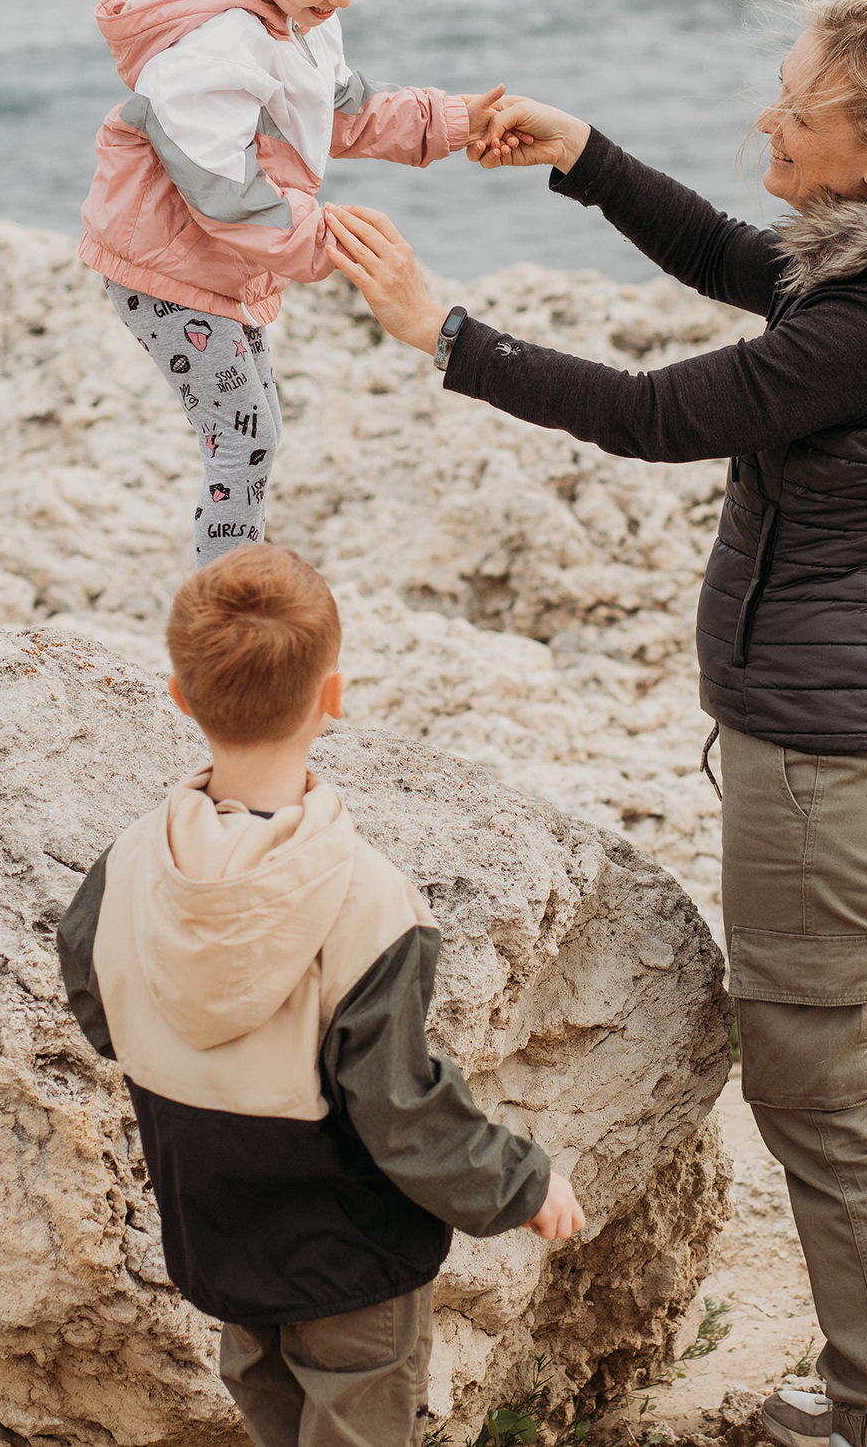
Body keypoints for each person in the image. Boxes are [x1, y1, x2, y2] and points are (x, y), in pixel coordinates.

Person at [322, 0, 867, 1447]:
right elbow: (737, 258)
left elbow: (655, 413)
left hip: (825, 764)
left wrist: (439, 331)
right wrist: (583, 154)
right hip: (866, 737)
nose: (765, 123)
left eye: (790, 108)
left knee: (824, 1089)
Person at [55, 544, 585, 1447]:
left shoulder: (132, 863)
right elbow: (400, 1107)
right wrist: (522, 1183)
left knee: (270, 1413)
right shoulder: (366, 899)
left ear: (182, 699)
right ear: (332, 697)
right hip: (350, 1260)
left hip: (216, 1227)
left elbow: (93, 992)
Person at [78, 0, 507, 565]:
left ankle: (231, 585)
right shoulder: (213, 49)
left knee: (256, 426)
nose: (344, 0)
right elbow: (223, 194)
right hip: (167, 272)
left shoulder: (302, 16)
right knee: (245, 435)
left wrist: (457, 122)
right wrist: (325, 239)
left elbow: (346, 113)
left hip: (219, 264)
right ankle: (226, 610)